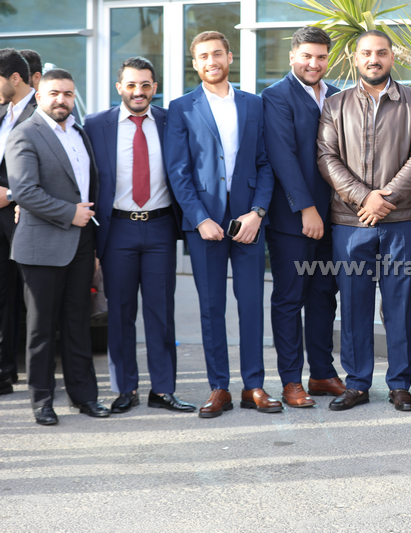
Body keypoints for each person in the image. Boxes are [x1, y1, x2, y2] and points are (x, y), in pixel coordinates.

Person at [317, 30, 411, 411]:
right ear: (355, 58)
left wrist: (385, 198)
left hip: (401, 221)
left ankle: (400, 384)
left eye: (381, 53)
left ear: (392, 58)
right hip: (350, 222)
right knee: (354, 305)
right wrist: (363, 197)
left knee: (399, 305)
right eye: (366, 53)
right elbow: (326, 158)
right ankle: (357, 384)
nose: (374, 59)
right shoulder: (335, 105)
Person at [166, 31, 277, 418]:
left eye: (217, 53)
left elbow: (265, 163)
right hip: (205, 223)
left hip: (248, 221)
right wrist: (199, 219)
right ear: (195, 64)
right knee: (211, 307)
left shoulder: (253, 104)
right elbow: (178, 171)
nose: (211, 60)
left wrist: (258, 213)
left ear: (230, 57)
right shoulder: (181, 108)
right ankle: (219, 388)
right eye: (203, 56)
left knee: (251, 304)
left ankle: (253, 385)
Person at [84, 57, 195, 414]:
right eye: (131, 85)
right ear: (120, 87)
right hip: (117, 228)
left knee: (161, 311)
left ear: (154, 87)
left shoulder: (170, 120)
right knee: (119, 313)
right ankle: (125, 389)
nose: (138, 91)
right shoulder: (95, 125)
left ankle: (163, 390)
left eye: (145, 85)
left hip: (160, 226)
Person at [5, 68, 108, 425]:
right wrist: (70, 213)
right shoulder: (24, 134)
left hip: (81, 243)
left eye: (67, 93)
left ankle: (85, 396)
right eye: (54, 93)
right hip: (41, 245)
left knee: (78, 323)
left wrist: (91, 238)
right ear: (38, 96)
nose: (61, 100)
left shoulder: (80, 132)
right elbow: (25, 191)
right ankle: (42, 401)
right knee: (41, 329)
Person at [262, 27, 345, 407]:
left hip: (335, 218)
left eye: (321, 56)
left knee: (324, 296)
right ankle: (291, 380)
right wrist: (307, 209)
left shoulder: (338, 95)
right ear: (292, 56)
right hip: (294, 221)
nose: (314, 63)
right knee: (289, 298)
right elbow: (283, 157)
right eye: (307, 56)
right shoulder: (276, 96)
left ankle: (322, 373)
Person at [0, 48, 36, 395]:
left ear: (15, 78)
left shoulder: (43, 111)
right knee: (2, 295)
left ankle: (40, 377)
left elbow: (53, 169)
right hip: (0, 218)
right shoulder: (3, 112)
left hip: (25, 215)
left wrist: (11, 195)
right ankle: (3, 372)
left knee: (34, 296)